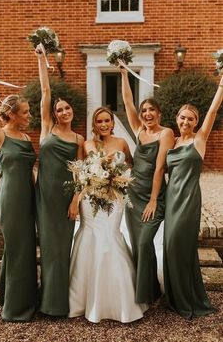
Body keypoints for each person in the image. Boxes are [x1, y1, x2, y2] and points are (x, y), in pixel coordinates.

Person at [68, 107, 147, 323]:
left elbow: (131, 165)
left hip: (115, 199)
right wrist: (76, 200)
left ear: (112, 122)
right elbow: (79, 174)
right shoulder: (87, 144)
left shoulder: (122, 142)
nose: (103, 125)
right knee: (90, 236)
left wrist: (118, 178)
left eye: (107, 121)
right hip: (91, 199)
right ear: (94, 124)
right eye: (99, 121)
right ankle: (83, 299)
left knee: (111, 237)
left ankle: (120, 298)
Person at [163, 74, 223, 319]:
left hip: (188, 201)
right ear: (176, 119)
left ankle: (189, 299)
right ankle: (175, 298)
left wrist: (221, 86)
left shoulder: (199, 140)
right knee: (169, 247)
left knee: (180, 245)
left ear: (196, 122)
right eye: (183, 117)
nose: (186, 121)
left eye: (191, 118)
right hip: (170, 200)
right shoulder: (173, 141)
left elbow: (211, 113)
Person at [35, 45, 84, 316]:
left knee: (62, 248)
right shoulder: (47, 128)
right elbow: (45, 93)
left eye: (67, 109)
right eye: (60, 109)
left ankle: (58, 303)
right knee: (48, 248)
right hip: (44, 196)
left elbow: (79, 172)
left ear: (72, 112)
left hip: (65, 198)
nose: (64, 112)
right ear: (54, 114)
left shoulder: (78, 139)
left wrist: (76, 200)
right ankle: (46, 300)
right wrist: (43, 60)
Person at [119, 64, 174, 305]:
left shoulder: (166, 134)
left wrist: (154, 199)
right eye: (145, 111)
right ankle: (147, 290)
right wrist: (123, 74)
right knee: (137, 245)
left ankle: (149, 290)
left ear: (159, 113)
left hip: (152, 196)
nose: (147, 113)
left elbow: (160, 168)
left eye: (152, 110)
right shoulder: (140, 131)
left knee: (144, 241)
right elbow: (128, 102)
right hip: (133, 194)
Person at [0, 94, 37, 322]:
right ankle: (15, 309)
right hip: (11, 199)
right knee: (17, 248)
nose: (29, 116)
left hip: (30, 197)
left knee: (25, 249)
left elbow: (31, 171)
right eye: (25, 112)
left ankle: (15, 297)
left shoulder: (26, 136)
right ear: (11, 114)